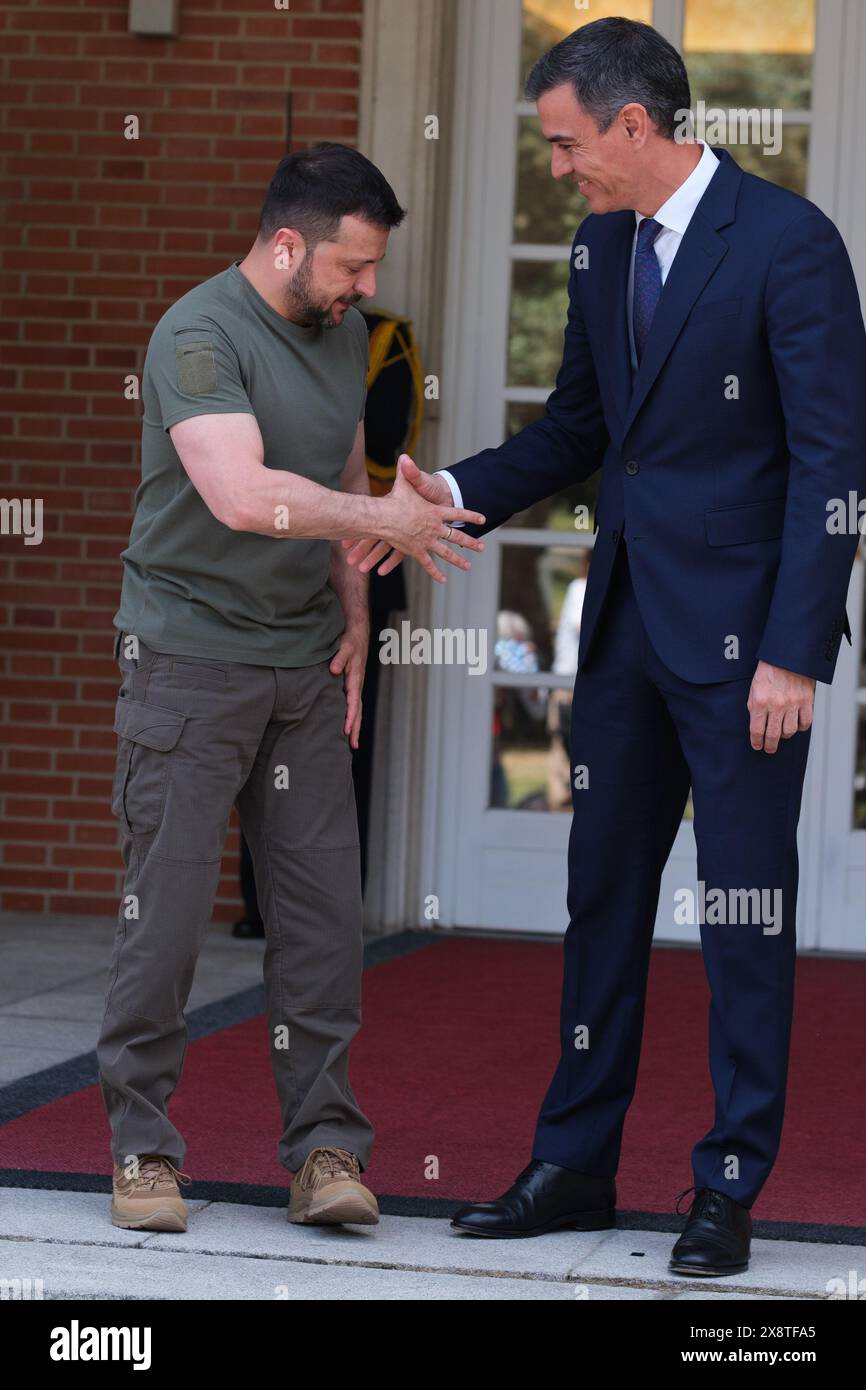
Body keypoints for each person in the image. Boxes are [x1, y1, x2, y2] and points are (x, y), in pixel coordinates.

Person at [344, 19, 866, 1275]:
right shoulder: (595, 248)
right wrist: (447, 491)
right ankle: (572, 1163)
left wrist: (793, 651)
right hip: (626, 631)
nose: (561, 169)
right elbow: (577, 427)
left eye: (570, 145)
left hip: (749, 654)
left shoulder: (788, 245)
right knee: (600, 903)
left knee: (743, 915)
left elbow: (830, 462)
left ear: (636, 126)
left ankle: (725, 1187)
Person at [100, 142, 485, 1235]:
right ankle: (142, 1152)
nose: (366, 288)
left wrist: (358, 620)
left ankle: (325, 1151)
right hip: (188, 657)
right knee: (165, 920)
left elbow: (340, 475)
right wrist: (389, 524)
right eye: (351, 266)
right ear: (285, 244)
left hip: (306, 666)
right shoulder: (199, 333)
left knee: (320, 923)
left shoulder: (347, 333)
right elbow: (238, 492)